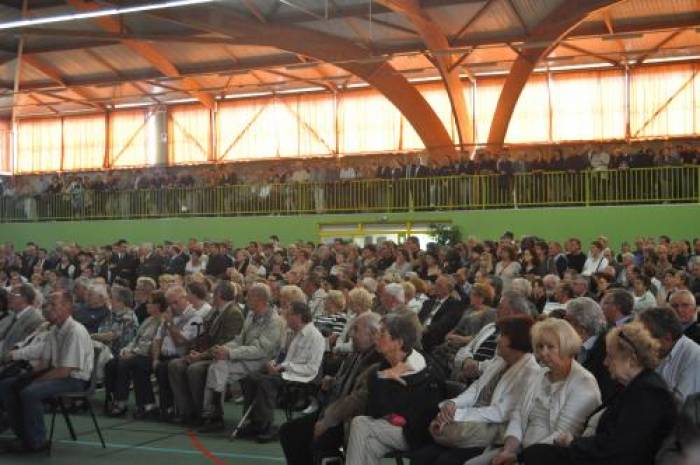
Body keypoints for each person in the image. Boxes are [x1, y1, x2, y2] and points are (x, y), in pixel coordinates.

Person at [522, 322, 677, 465]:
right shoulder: (633, 386)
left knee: (536, 455)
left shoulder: (649, 393)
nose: (605, 363)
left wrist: (572, 442)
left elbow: (618, 447)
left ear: (632, 359)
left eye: (610, 356)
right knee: (536, 453)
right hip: (600, 455)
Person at [470, 318, 601, 465]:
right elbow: (518, 415)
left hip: (549, 457)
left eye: (550, 347)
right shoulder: (539, 374)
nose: (543, 353)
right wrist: (509, 450)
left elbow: (563, 435)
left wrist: (519, 458)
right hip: (518, 448)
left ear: (566, 346)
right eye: (539, 346)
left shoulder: (584, 383)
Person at [411, 316, 539, 465]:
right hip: (467, 422)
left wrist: (456, 416)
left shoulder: (530, 373)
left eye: (503, 335)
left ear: (517, 341)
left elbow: (499, 413)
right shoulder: (500, 360)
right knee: (421, 455)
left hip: (488, 433)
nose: (497, 339)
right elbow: (475, 390)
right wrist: (453, 404)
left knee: (445, 460)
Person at [278, 312, 384, 465]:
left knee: (318, 439)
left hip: (350, 419)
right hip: (334, 410)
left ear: (373, 334)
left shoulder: (376, 361)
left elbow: (356, 400)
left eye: (356, 330)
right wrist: (332, 382)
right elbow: (344, 384)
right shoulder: (355, 354)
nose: (351, 335)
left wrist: (327, 420)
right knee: (289, 431)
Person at [0, 290, 93, 453]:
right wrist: (25, 377)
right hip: (57, 374)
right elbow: (44, 363)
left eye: (53, 305)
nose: (47, 308)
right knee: (8, 385)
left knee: (30, 392)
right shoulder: (54, 330)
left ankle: (37, 441)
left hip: (75, 381)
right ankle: (23, 436)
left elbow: (65, 371)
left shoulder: (75, 331)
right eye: (47, 304)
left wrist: (34, 381)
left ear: (67, 306)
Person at [344, 313, 443, 465]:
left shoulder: (426, 371)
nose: (376, 337)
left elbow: (420, 417)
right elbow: (375, 410)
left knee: (360, 424)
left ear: (398, 342)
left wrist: (391, 413)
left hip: (417, 434)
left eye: (382, 333)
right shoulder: (383, 366)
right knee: (371, 446)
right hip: (392, 428)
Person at [199, 283, 285, 432]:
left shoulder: (274, 321)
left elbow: (261, 350)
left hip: (263, 362)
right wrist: (225, 348)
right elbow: (240, 339)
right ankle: (213, 414)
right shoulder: (251, 315)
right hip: (245, 357)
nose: (246, 299)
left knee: (218, 366)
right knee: (217, 364)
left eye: (249, 296)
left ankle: (213, 415)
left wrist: (230, 353)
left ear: (259, 299)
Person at [237, 301, 325, 442]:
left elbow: (311, 369)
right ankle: (254, 422)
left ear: (298, 316)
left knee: (266, 382)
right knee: (250, 378)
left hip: (303, 377)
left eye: (289, 314)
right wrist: (276, 364)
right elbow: (285, 358)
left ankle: (266, 425)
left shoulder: (316, 337)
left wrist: (284, 367)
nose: (286, 318)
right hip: (287, 373)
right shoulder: (293, 333)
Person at [168, 281, 244, 425]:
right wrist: (194, 351)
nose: (211, 295)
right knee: (175, 365)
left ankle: (203, 412)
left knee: (194, 369)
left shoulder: (234, 314)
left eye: (214, 293)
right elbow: (204, 334)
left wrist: (201, 356)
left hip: (220, 356)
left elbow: (225, 344)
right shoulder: (215, 311)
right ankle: (186, 410)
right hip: (206, 353)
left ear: (219, 295)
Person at [106, 290, 165, 418]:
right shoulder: (148, 320)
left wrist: (133, 353)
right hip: (136, 352)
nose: (146, 305)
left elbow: (152, 343)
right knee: (112, 363)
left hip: (149, 355)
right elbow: (136, 339)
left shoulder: (162, 321)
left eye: (149, 303)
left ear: (158, 305)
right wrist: (126, 349)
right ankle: (112, 398)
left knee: (126, 363)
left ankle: (122, 402)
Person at [152, 285, 203, 418]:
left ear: (185, 299)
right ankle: (151, 405)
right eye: (170, 303)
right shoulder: (169, 316)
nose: (173, 306)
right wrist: (155, 358)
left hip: (181, 355)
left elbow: (180, 342)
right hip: (163, 355)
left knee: (165, 368)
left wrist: (170, 324)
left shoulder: (195, 317)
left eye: (175, 302)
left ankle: (171, 408)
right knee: (144, 364)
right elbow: (157, 339)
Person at [639, 307, 700, 402]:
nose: (641, 342)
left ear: (667, 338)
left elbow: (682, 403)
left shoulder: (694, 356)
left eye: (646, 338)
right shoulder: (658, 350)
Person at [418, 275, 464, 352]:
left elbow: (443, 324)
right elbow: (418, 318)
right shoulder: (428, 302)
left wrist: (426, 329)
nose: (435, 287)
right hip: (418, 334)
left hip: (433, 338)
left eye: (439, 285)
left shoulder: (454, 305)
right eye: (435, 284)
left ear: (449, 289)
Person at [0, 284, 44, 358]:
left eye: (12, 294)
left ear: (24, 298)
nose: (8, 298)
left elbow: (19, 348)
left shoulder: (34, 319)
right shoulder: (13, 315)